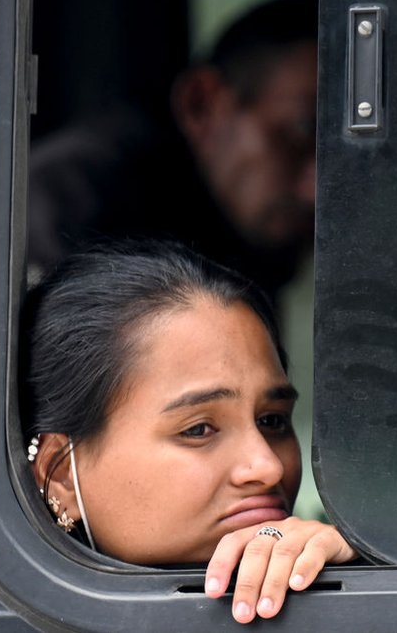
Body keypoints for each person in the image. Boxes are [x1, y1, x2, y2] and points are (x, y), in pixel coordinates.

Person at [19, 241, 356, 624]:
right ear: (59, 474)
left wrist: (368, 578)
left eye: (273, 420)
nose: (268, 467)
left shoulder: (338, 581)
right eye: (199, 429)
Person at [27, 0, 318, 300]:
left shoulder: (259, 236)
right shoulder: (73, 191)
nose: (314, 189)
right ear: (202, 104)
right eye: (302, 128)